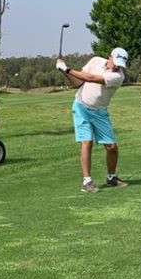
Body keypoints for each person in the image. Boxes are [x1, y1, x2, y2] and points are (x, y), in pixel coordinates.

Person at [56, 47, 129, 193]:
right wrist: (63, 71)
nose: (117, 67)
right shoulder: (95, 61)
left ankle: (111, 178)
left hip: (100, 112)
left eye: (120, 65)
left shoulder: (118, 76)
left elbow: (90, 78)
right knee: (87, 142)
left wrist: (67, 68)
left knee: (112, 147)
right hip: (81, 107)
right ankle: (87, 182)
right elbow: (78, 82)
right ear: (109, 57)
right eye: (116, 63)